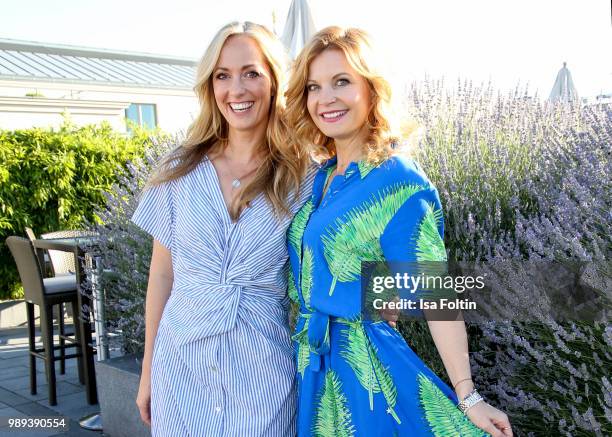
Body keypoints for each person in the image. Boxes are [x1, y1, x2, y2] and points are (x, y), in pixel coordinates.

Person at [284, 26, 513, 436]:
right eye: (314, 87)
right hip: (315, 368)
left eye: (342, 82)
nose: (325, 98)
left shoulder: (398, 181)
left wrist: (468, 395)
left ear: (372, 90)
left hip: (367, 374)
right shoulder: (321, 179)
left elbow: (435, 291)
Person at [131, 21, 312, 436]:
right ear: (210, 86)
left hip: (264, 378)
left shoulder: (304, 178)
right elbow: (161, 277)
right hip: (181, 371)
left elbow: (343, 256)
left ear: (273, 82)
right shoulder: (179, 170)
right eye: (223, 75)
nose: (237, 89)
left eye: (251, 73)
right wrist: (147, 373)